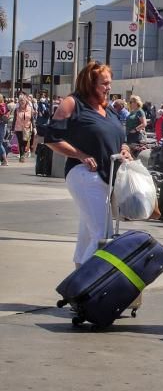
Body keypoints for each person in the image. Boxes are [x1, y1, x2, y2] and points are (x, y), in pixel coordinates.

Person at [45, 62, 133, 265]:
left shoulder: (108, 109)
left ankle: (79, 281)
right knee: (103, 236)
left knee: (88, 235)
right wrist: (80, 155)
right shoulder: (72, 103)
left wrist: (125, 149)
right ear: (90, 83)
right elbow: (51, 138)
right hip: (85, 175)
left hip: (107, 176)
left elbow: (118, 139)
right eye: (104, 83)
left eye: (110, 83)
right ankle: (85, 286)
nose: (109, 87)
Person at [12, 93, 34, 162]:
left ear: (26, 101)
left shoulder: (30, 109)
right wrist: (12, 129)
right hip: (18, 128)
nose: (21, 102)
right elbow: (14, 119)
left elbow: (32, 119)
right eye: (20, 100)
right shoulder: (17, 110)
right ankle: (22, 156)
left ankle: (23, 154)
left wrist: (34, 127)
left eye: (23, 100)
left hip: (27, 128)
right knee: (20, 142)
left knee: (25, 142)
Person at [0, 94, 8, 166]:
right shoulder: (4, 105)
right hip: (3, 125)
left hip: (1, 125)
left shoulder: (2, 105)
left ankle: (5, 160)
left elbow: (3, 113)